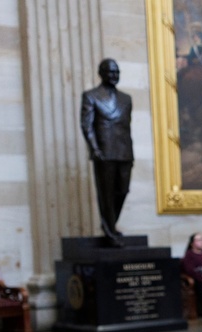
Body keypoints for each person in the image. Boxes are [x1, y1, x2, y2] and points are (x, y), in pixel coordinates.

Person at [80, 58, 133, 247]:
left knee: (123, 190)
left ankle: (110, 224)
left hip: (125, 152)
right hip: (105, 152)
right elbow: (87, 126)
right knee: (106, 193)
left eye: (117, 72)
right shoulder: (91, 96)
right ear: (101, 73)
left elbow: (126, 126)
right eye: (110, 72)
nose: (114, 75)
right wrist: (94, 148)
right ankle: (110, 231)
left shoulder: (126, 99)